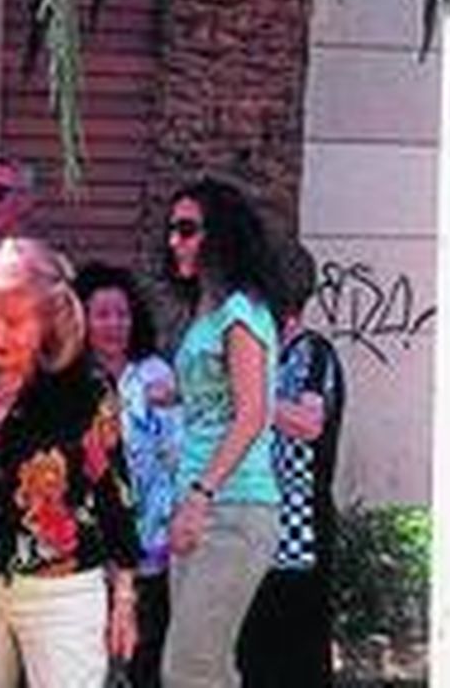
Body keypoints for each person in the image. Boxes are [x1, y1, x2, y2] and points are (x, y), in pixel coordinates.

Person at [0, 238, 140, 688]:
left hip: (63, 593)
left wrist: (125, 595)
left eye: (14, 322)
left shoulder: (85, 391)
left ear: (49, 322)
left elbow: (115, 493)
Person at [159, 177, 282, 688]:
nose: (175, 241)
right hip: (201, 501)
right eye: (172, 230)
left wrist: (200, 495)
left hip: (231, 506)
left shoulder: (240, 312)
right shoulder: (205, 315)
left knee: (189, 669)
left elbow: (252, 413)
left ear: (221, 235)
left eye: (187, 230)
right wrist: (180, 394)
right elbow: (223, 398)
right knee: (207, 668)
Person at [237, 240, 347, 688]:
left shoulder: (312, 353)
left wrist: (251, 399)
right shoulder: (260, 356)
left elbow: (308, 421)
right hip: (254, 527)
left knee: (296, 655)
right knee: (255, 654)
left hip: (299, 532)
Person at [74, 262, 179, 688]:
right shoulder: (68, 377)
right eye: (102, 314)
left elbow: (176, 452)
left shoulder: (156, 374)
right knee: (85, 654)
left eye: (122, 314)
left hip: (148, 534)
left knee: (144, 650)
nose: (114, 325)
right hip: (83, 539)